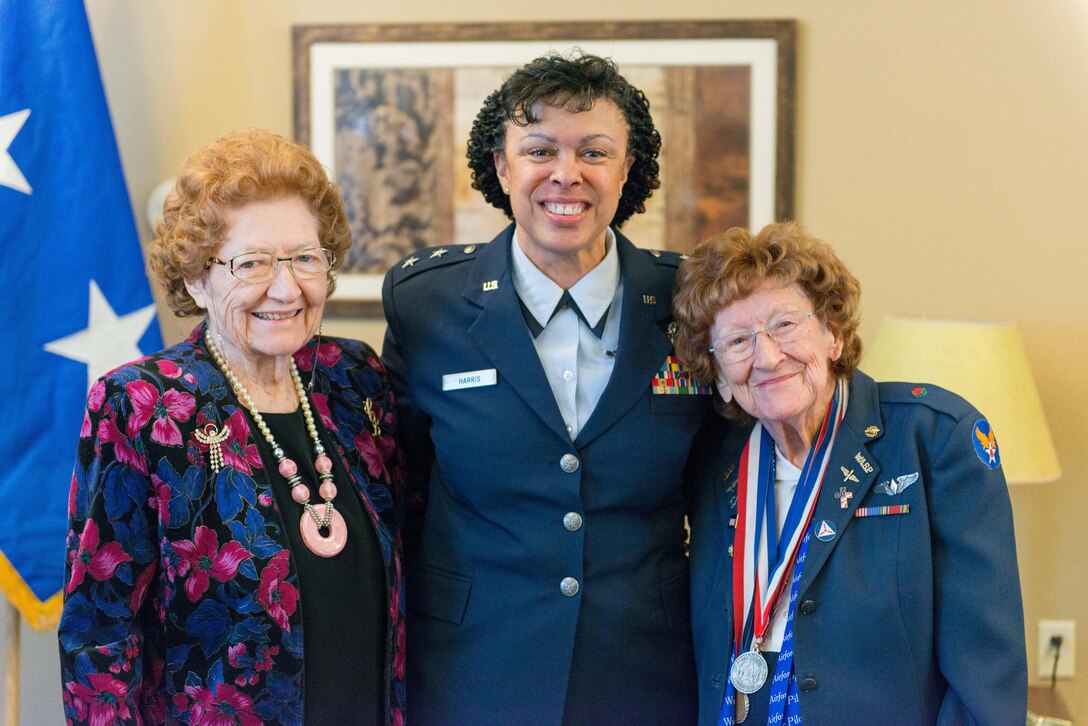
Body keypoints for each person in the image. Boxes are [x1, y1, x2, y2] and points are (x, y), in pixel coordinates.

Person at [382, 51, 712, 724]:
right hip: (472, 670)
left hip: (646, 673)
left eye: (595, 151)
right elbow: (402, 488)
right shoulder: (427, 302)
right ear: (502, 168)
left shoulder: (690, 301)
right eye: (539, 150)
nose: (567, 174)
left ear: (628, 169)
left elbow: (720, 494)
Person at [58, 129, 405, 725]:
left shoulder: (356, 381)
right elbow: (100, 630)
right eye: (252, 263)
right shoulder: (143, 404)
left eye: (305, 258)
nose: (285, 287)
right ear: (196, 278)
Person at [672, 222, 1027, 725]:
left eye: (784, 325)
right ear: (721, 379)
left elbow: (987, 675)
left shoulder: (931, 439)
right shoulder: (709, 464)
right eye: (737, 341)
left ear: (833, 334)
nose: (767, 356)